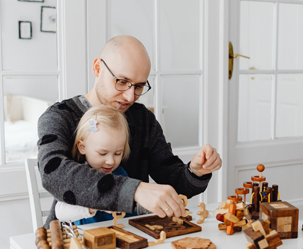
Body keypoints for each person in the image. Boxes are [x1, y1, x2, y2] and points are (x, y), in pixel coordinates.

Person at [38, 35, 222, 226]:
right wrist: (134, 190)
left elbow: (172, 181)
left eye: (139, 86)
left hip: (130, 236)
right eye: (122, 81)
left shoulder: (143, 119)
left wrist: (195, 171)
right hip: (68, 241)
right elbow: (53, 172)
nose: (129, 96)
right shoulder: (59, 117)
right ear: (97, 68)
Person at [52, 105, 148, 225]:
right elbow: (60, 212)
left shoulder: (120, 174)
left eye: (118, 153)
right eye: (103, 153)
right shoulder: (77, 176)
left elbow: (130, 210)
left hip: (118, 236)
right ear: (82, 147)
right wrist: (94, 205)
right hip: (85, 239)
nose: (111, 161)